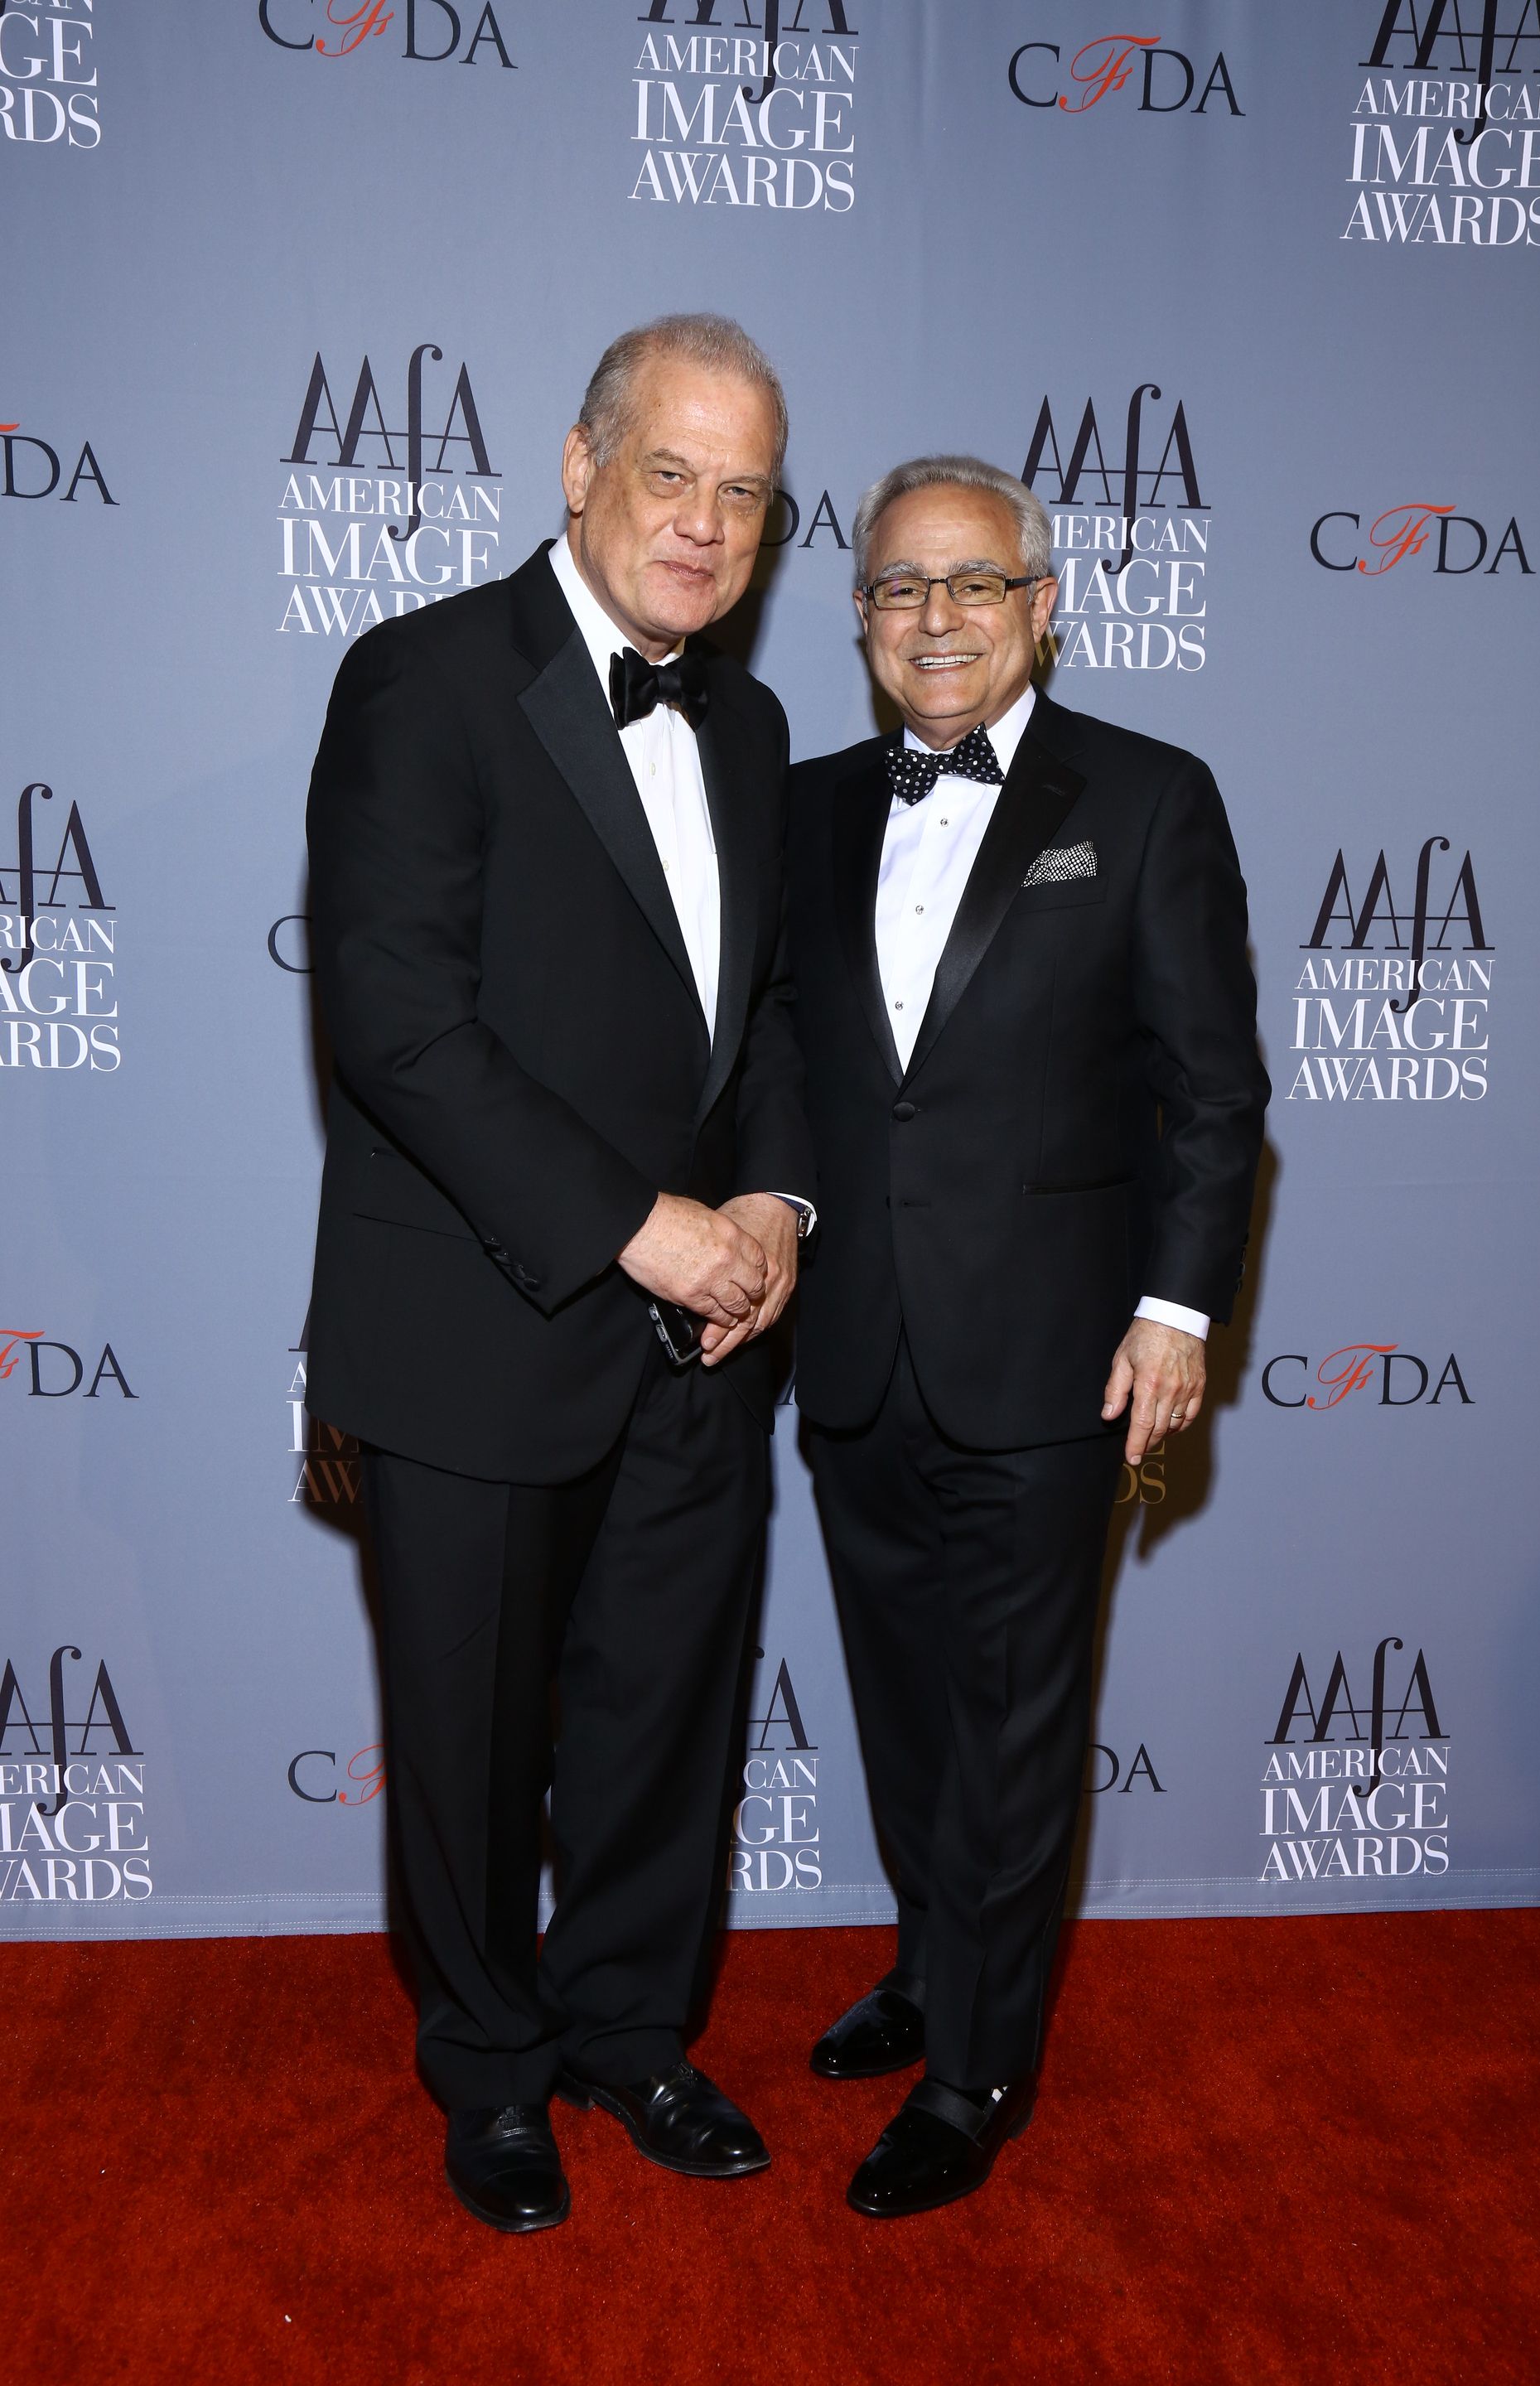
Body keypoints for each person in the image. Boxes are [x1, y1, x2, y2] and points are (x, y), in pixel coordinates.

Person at [305, 315, 814, 2234]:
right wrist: (637, 1225)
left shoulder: (754, 731)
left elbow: (768, 1019)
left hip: (704, 1340)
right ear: (583, 464)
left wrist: (775, 1208)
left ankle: (629, 2033)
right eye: (670, 472)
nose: (703, 523)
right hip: (479, 1325)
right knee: (467, 1740)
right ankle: (493, 2069)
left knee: (666, 1722)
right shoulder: (425, 677)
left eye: (744, 493)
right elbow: (398, 1024)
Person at [785, 455, 1268, 2219]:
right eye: (899, 587)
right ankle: (934, 1966)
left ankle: (979, 2069)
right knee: (907, 1700)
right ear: (861, 614)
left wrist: (1176, 1310)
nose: (935, 619)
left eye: (973, 583)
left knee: (1009, 1717)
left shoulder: (1146, 798)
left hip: (1059, 1356)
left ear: (1041, 606)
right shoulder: (808, 807)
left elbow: (1215, 1092)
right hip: (856, 1347)